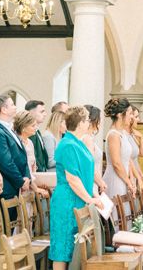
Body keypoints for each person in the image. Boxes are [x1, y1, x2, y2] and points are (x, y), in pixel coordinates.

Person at [49, 106, 102, 270]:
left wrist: (94, 194)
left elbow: (86, 173)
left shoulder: (78, 143)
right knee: (63, 248)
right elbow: (72, 178)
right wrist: (90, 199)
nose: (88, 123)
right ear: (80, 123)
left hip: (79, 198)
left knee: (76, 248)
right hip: (67, 201)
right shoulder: (67, 144)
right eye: (86, 120)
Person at [0, 94, 30, 201]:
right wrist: (20, 181)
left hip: (16, 186)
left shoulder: (8, 128)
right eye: (12, 104)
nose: (15, 107)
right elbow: (5, 161)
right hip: (7, 188)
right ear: (4, 110)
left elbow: (22, 155)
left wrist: (27, 177)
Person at [102, 98, 137, 201]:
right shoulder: (113, 135)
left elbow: (128, 159)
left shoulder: (122, 133)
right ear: (119, 114)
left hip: (124, 178)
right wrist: (128, 182)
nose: (132, 117)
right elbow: (116, 163)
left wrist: (132, 179)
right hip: (115, 179)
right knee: (118, 213)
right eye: (130, 113)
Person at [14, 111, 49, 198]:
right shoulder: (16, 142)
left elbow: (33, 167)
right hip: (22, 185)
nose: (36, 128)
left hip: (31, 185)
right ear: (23, 127)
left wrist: (37, 184)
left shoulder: (30, 142)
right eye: (33, 126)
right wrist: (35, 187)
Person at [81, 105, 107, 196]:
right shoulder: (87, 139)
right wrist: (100, 182)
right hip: (90, 181)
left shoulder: (84, 137)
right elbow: (89, 165)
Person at [24, 100, 49, 173]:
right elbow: (34, 156)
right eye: (41, 112)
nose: (45, 114)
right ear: (30, 113)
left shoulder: (37, 131)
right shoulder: (28, 133)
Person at [126, 106, 143, 195]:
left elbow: (142, 154)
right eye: (136, 116)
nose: (139, 120)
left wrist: (141, 137)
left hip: (136, 173)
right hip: (129, 174)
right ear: (130, 118)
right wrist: (135, 176)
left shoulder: (133, 134)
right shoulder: (124, 135)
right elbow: (128, 159)